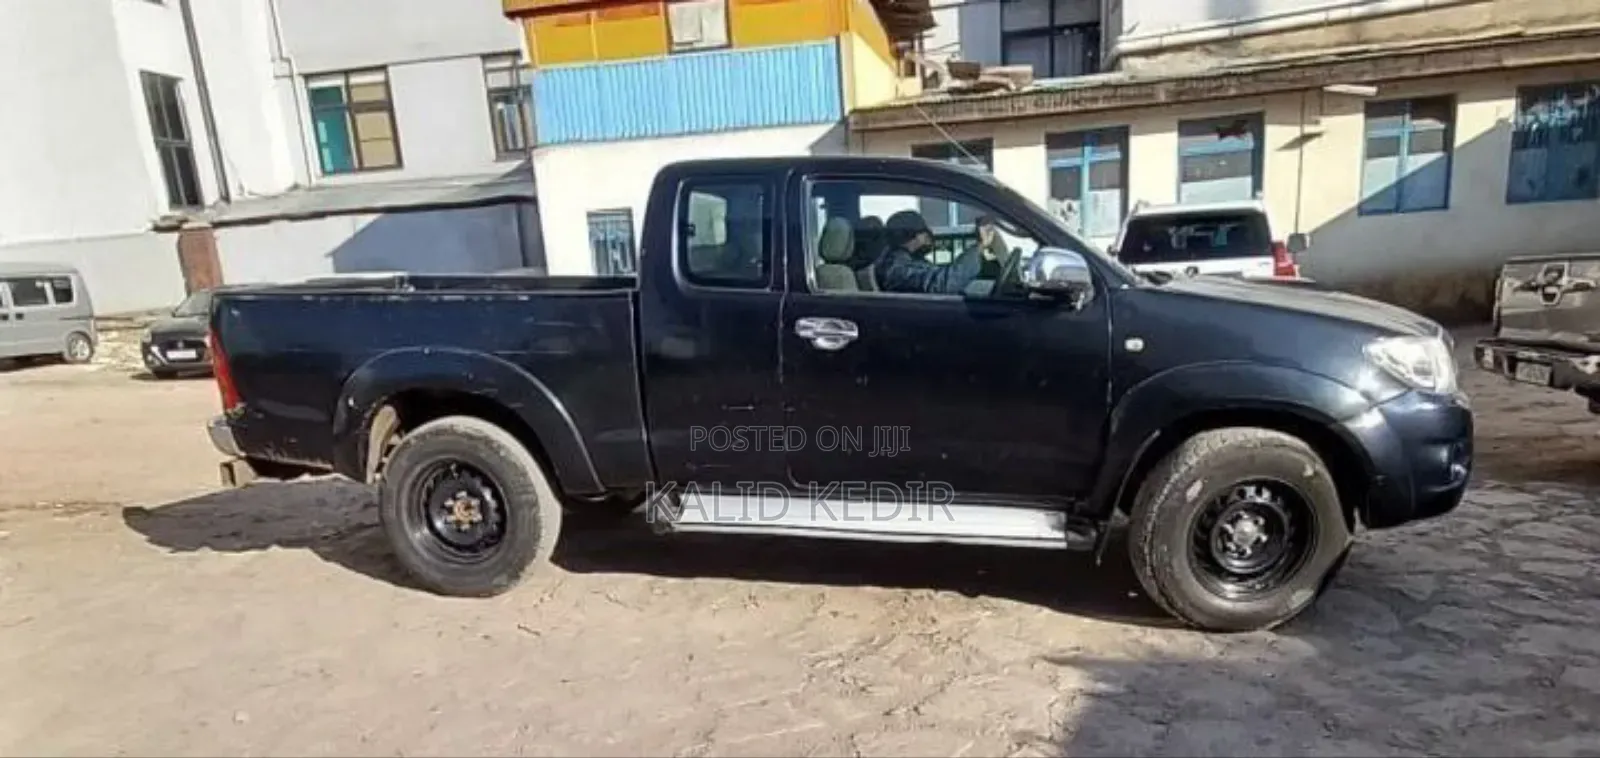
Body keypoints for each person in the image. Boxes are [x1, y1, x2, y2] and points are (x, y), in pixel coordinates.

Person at [873, 210, 1000, 295]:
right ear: (913, 236)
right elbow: (944, 284)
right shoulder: (897, 269)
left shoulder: (904, 261)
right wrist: (980, 246)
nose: (929, 237)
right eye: (925, 232)